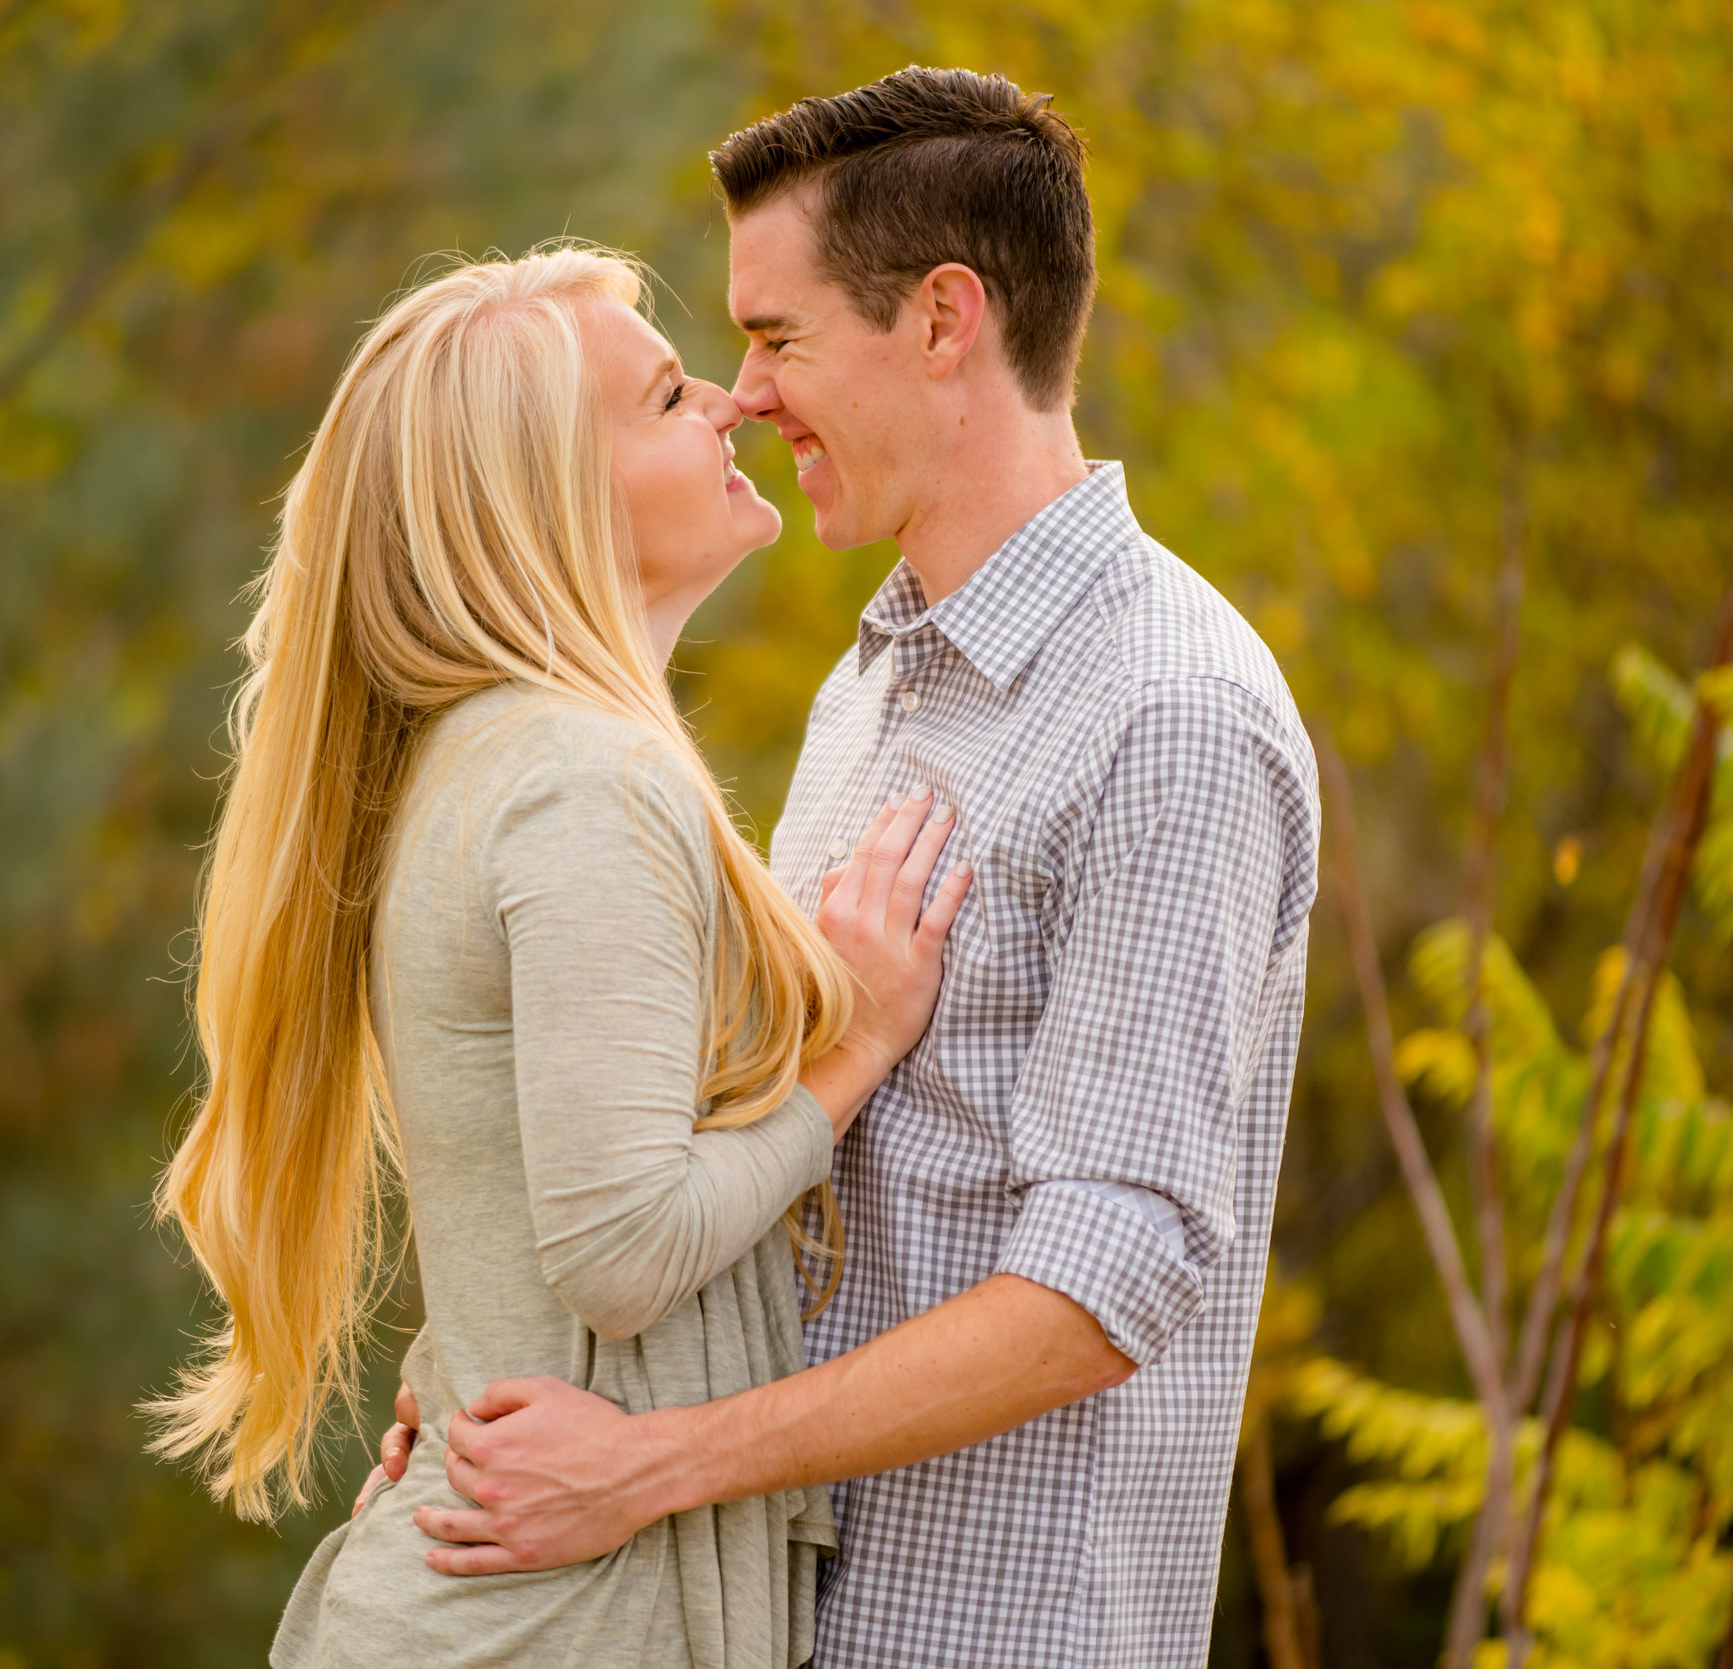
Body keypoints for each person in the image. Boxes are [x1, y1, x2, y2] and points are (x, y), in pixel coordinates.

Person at [379, 69, 1323, 1668]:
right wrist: (495, 1368)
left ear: (944, 321)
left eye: (776, 336)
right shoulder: (870, 682)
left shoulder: (1172, 713)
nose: (742, 395)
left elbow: (1098, 1295)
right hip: (765, 1616)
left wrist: (648, 1466)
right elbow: (751, 1160)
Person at [148, 245, 971, 1669]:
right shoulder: (584, 781)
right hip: (541, 1623)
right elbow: (623, 1245)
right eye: (664, 396)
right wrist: (859, 1047)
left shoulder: (491, 761)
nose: (727, 401)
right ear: (555, 502)